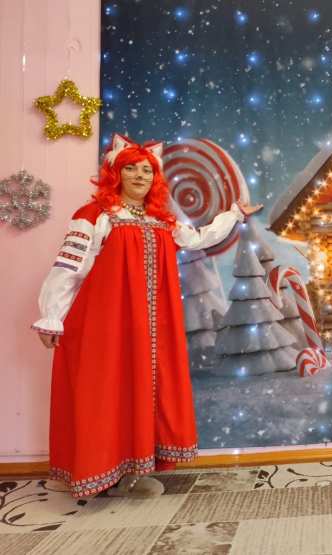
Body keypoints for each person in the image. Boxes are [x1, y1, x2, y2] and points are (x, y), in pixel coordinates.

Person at [33, 133, 262, 498]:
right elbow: (69, 268)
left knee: (143, 393)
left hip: (151, 329)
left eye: (147, 170)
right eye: (131, 169)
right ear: (115, 173)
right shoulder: (95, 216)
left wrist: (234, 214)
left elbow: (199, 238)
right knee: (105, 394)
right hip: (105, 324)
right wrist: (51, 316)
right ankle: (97, 471)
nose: (140, 176)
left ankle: (134, 471)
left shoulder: (162, 220)